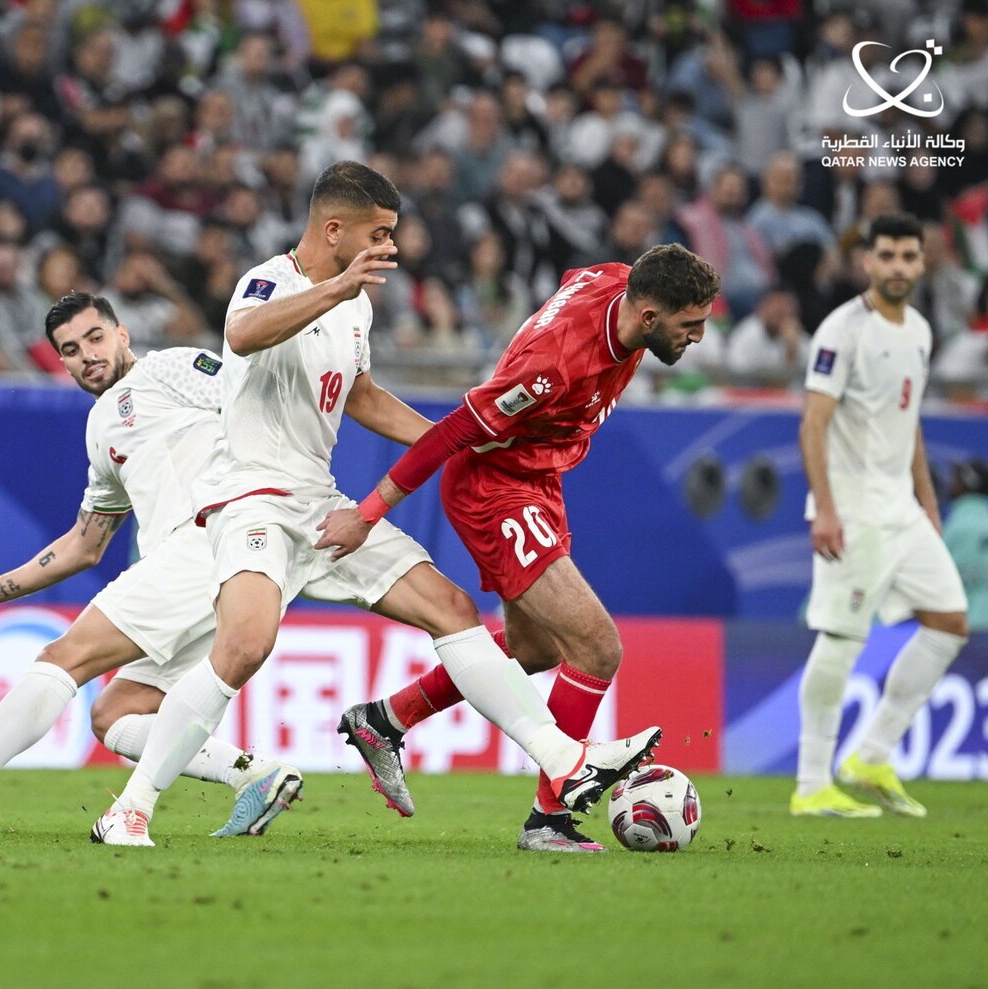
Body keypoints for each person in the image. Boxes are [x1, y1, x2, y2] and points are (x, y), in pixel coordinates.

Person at [100, 161, 663, 848]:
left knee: (451, 609)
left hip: (318, 501)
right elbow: (244, 334)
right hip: (250, 498)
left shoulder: (356, 304)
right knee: (245, 644)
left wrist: (451, 445)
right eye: (380, 233)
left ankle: (561, 762)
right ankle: (129, 809)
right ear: (333, 229)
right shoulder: (269, 281)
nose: (391, 247)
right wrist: (335, 287)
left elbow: (361, 396)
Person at [317, 244, 721, 854]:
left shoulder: (617, 282)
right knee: (596, 646)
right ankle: (550, 819)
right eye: (690, 325)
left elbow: (573, 277)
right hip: (495, 488)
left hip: (538, 478)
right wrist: (367, 515)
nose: (699, 336)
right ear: (647, 317)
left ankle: (384, 720)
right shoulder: (554, 367)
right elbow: (454, 432)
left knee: (533, 649)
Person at [0, 293, 303, 843]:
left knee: (65, 657)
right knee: (116, 714)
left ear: (122, 335)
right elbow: (84, 545)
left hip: (211, 542)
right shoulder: (101, 427)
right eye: (70, 349)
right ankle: (254, 777)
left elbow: (256, 398)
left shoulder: (172, 367)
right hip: (201, 569)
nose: (86, 355)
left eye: (95, 338)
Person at [792, 213, 969, 820]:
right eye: (886, 255)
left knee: (949, 620)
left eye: (907, 256)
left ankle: (872, 755)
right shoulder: (842, 330)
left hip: (901, 508)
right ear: (867, 262)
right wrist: (827, 511)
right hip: (854, 509)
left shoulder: (919, 330)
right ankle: (812, 781)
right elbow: (812, 425)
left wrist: (928, 502)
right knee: (842, 638)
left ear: (923, 263)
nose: (897, 266)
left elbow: (909, 422)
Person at [944, 460, 988, 633]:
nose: (951, 483)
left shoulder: (954, 526)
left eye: (955, 480)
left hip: (960, 628)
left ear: (964, 484)